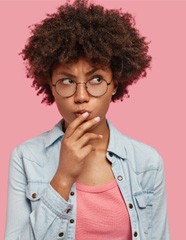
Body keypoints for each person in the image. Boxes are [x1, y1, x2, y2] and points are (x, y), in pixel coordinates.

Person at [4, 0, 170, 239]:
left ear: (115, 84)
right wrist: (62, 177)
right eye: (67, 81)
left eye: (96, 80)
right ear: (50, 86)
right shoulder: (26, 158)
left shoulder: (147, 163)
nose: (81, 97)